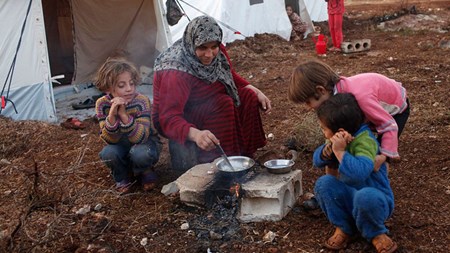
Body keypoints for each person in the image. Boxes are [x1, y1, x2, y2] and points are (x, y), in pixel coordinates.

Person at [152, 15, 271, 171]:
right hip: (179, 115)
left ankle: (245, 157)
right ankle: (223, 164)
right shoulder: (175, 71)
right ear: (192, 43)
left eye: (213, 47)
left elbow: (229, 74)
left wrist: (255, 90)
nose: (209, 54)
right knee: (223, 103)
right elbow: (168, 118)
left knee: (247, 97)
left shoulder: (218, 49)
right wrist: (196, 135)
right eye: (202, 48)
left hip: (206, 100)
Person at [313, 93, 398, 253]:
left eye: (324, 129)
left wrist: (340, 152)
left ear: (340, 130)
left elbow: (358, 173)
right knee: (323, 184)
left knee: (364, 197)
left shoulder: (365, 141)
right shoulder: (337, 139)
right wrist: (326, 151)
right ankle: (345, 227)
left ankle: (376, 233)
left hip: (375, 200)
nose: (324, 133)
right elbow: (317, 161)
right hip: (350, 197)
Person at [288, 59, 410, 170]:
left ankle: (382, 188)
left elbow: (389, 125)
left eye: (308, 102)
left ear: (321, 90)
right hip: (368, 107)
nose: (309, 107)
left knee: (376, 154)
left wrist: (384, 156)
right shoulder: (334, 97)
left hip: (395, 109)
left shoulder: (361, 99)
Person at [95, 57, 162, 193]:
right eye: (122, 85)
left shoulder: (141, 101)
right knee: (108, 153)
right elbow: (109, 139)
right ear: (108, 88)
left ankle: (145, 170)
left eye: (131, 84)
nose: (129, 89)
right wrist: (112, 115)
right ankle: (122, 175)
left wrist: (124, 116)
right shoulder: (102, 104)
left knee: (140, 153)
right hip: (120, 144)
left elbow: (141, 137)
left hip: (145, 143)